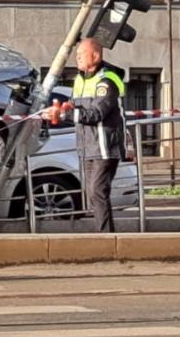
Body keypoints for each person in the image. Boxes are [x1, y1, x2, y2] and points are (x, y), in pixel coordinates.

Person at [42, 37, 126, 233]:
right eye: (77, 55)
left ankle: (106, 237)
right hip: (87, 145)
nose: (77, 58)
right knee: (93, 193)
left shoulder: (107, 80)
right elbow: (72, 105)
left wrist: (65, 113)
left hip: (105, 146)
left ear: (95, 56)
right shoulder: (80, 79)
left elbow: (97, 113)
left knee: (98, 191)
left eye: (81, 55)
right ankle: (105, 234)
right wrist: (58, 110)